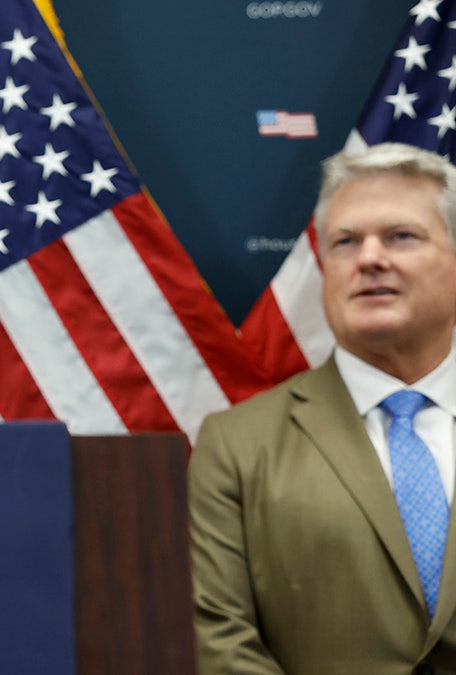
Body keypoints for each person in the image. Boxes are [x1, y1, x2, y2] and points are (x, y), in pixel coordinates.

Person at [189, 142, 456, 673]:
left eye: (401, 236)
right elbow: (221, 641)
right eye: (345, 242)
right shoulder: (237, 446)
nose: (370, 258)